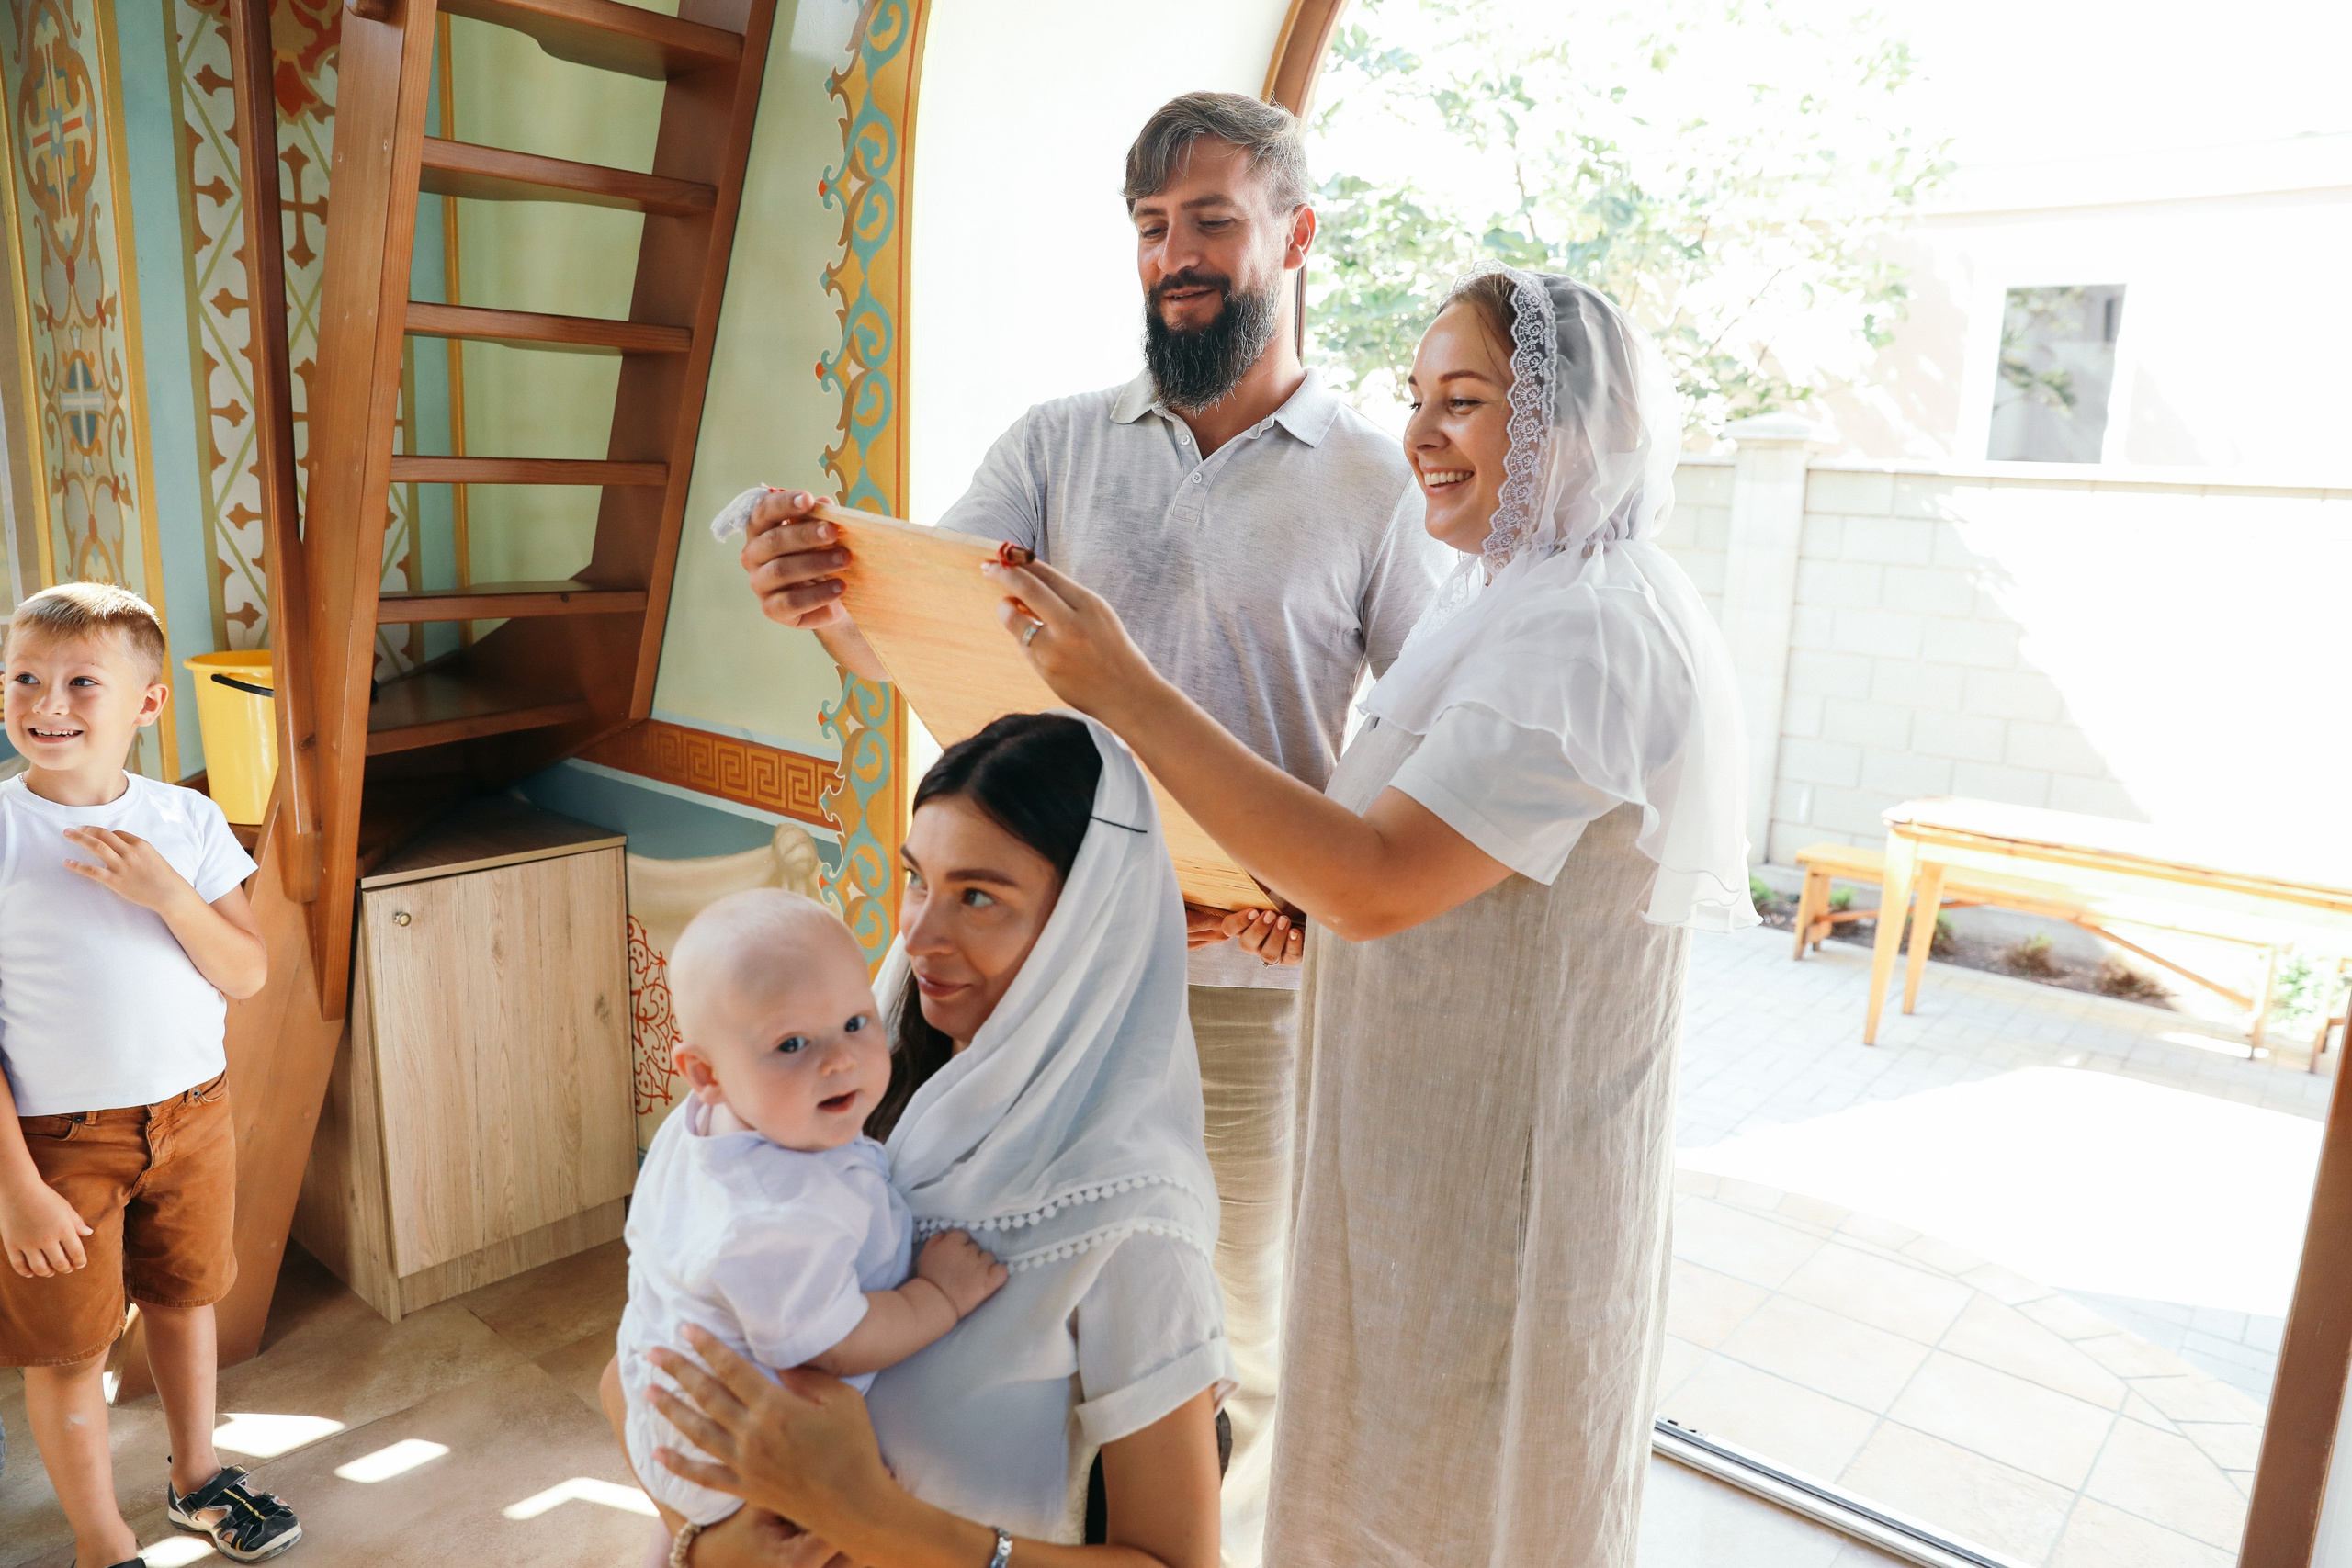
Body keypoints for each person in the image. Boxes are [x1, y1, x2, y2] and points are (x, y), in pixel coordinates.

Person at [736, 93, 1441, 1562]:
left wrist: (1314, 889)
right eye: (1150, 229)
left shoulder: (1378, 484)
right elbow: (913, 640)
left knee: (1209, 1325)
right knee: (926, 1256)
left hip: (1235, 992)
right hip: (1013, 962)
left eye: (1211, 222)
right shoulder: (1054, 446)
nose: (1174, 256)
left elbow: (1413, 746)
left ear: (1297, 234)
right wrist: (827, 597)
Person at [985, 268, 1758, 1567]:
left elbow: (1378, 878)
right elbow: (1384, 862)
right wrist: (1298, 896)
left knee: (1474, 1488)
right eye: (1415, 399)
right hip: (1418, 1140)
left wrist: (1127, 688)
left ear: (1573, 427)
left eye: (1464, 401)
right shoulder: (1508, 599)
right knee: (1385, 1469)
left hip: (1503, 1167)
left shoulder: (1595, 631)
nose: (1420, 437)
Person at [605, 713, 1233, 1566]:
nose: (918, 934)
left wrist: (872, 1519)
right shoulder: (858, 1100)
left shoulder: (1128, 1222)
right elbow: (636, 1376)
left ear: (1091, 924)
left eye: (977, 896)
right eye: (916, 880)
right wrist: (713, 1547)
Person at [0, 583, 295, 1566]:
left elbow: (247, 973)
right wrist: (16, 1191)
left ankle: (197, 1478)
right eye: (26, 677)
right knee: (71, 1349)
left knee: (183, 1299)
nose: (49, 701)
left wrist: (167, 891)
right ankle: (101, 1540)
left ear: (148, 705)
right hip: (52, 1146)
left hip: (192, 1116)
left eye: (83, 681)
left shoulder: (188, 821)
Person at [616, 889, 1008, 1546]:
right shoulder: (775, 1215)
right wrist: (936, 1296)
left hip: (665, 1404)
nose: (838, 1058)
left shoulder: (706, 1127)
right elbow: (834, 1341)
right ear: (704, 1072)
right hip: (730, 1459)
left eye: (857, 1022)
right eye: (791, 1042)